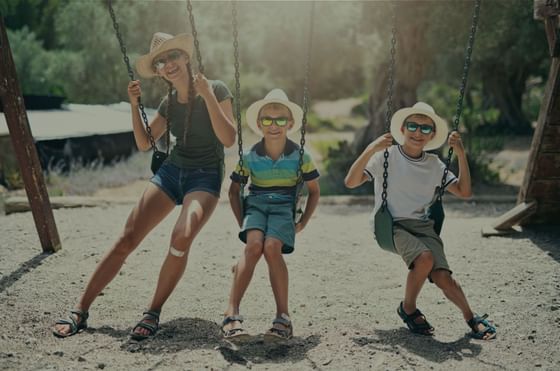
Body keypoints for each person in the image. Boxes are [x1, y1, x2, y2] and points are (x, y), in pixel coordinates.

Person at [52, 32, 236, 340]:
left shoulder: (215, 88)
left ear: (186, 58)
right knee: (127, 238)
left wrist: (206, 95)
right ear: (160, 71)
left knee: (182, 235)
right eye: (161, 62)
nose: (168, 64)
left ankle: (152, 311)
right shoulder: (168, 103)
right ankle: (80, 310)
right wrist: (134, 104)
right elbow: (143, 143)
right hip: (172, 171)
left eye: (173, 56)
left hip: (204, 175)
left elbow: (228, 139)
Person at [344, 102, 496, 340]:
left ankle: (471, 317)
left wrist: (461, 155)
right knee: (424, 258)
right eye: (413, 126)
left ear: (432, 135)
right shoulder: (386, 156)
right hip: (389, 224)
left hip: (422, 226)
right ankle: (408, 308)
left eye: (425, 128)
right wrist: (371, 148)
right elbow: (351, 182)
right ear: (403, 129)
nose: (418, 132)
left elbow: (465, 192)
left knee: (443, 277)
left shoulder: (434, 165)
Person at [221, 89, 320, 342]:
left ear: (290, 123)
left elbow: (314, 192)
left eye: (279, 120)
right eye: (267, 119)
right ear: (258, 124)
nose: (273, 125)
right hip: (255, 204)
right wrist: (242, 222)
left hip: (284, 206)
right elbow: (233, 192)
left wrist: (303, 222)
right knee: (253, 246)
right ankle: (231, 313)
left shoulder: (301, 157)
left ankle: (283, 318)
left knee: (272, 247)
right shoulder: (250, 156)